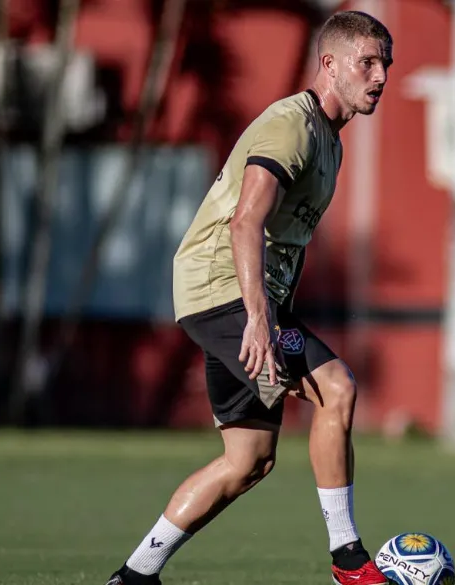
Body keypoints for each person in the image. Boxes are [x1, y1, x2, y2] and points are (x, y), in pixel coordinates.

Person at [105, 10, 393, 585]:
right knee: (336, 387)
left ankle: (134, 577)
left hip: (238, 298)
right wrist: (260, 320)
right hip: (223, 292)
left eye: (385, 63)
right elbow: (245, 223)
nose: (380, 75)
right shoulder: (291, 125)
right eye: (367, 62)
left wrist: (269, 310)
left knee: (248, 463)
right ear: (329, 65)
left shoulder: (331, 144)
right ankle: (349, 561)